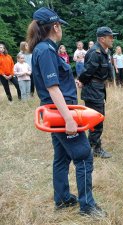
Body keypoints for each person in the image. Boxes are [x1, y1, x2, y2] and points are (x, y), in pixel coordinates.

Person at [27, 7, 106, 217]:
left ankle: (62, 199)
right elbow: (52, 88)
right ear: (55, 26)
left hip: (59, 112)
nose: (61, 29)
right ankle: (87, 206)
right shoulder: (46, 50)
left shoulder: (46, 49)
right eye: (60, 25)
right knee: (83, 156)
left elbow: (56, 83)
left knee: (62, 158)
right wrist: (69, 119)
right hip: (62, 114)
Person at [78, 26, 116, 159]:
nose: (113, 39)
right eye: (110, 37)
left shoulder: (102, 51)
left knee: (97, 119)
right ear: (102, 38)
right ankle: (93, 149)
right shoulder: (95, 52)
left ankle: (93, 147)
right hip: (93, 90)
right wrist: (81, 81)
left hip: (97, 89)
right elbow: (87, 72)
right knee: (96, 120)